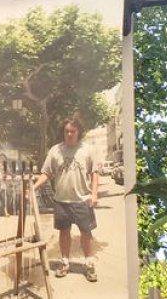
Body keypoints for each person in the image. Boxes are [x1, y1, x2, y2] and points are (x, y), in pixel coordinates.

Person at [33, 117, 100, 282]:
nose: (69, 134)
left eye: (73, 131)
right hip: (61, 200)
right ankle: (64, 262)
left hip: (82, 200)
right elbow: (46, 173)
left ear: (78, 132)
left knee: (86, 233)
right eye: (67, 131)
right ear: (63, 132)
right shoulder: (55, 151)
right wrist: (33, 187)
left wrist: (94, 194)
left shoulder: (88, 150)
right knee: (64, 232)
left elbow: (94, 174)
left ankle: (89, 264)